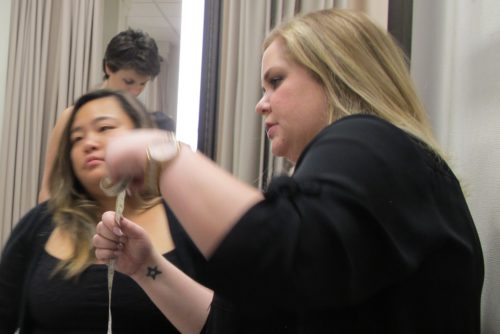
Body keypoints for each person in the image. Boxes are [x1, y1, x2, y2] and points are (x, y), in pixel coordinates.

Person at [93, 9, 484, 333]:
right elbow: (230, 325)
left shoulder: (370, 137)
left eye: (276, 81)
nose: (261, 105)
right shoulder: (372, 180)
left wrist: (164, 156)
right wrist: (146, 267)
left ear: (339, 74)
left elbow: (281, 255)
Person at [0, 89, 213, 333]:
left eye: (104, 128)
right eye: (76, 138)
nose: (88, 143)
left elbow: (226, 318)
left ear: (140, 135)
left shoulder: (186, 219)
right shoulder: (39, 224)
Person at [38, 28, 164, 203]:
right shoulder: (71, 116)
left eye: (143, 84)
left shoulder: (140, 122)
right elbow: (49, 188)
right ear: (108, 68)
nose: (135, 91)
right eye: (129, 81)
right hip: (79, 218)